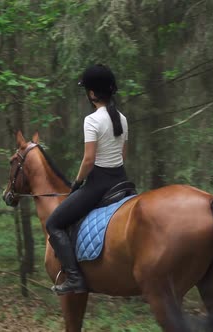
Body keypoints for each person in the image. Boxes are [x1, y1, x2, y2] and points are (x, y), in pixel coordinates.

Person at [45, 64, 129, 295]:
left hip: (99, 184)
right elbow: (123, 156)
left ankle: (74, 278)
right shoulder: (122, 119)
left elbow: (89, 160)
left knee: (53, 223)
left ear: (92, 93)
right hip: (122, 182)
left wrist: (77, 182)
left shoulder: (92, 120)